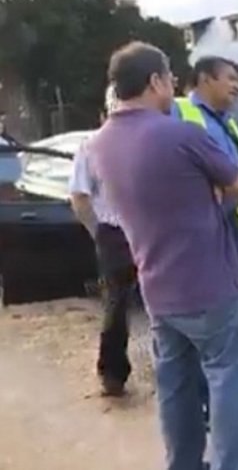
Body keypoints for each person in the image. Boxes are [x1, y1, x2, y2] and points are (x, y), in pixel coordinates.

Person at [90, 41, 238, 470]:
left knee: (175, 387)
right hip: (210, 285)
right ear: (155, 81)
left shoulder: (101, 143)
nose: (173, 87)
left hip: (157, 289)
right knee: (227, 380)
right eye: (169, 78)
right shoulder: (181, 133)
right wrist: (213, 203)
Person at [69, 84, 137, 398]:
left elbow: (80, 198)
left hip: (122, 231)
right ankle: (112, 372)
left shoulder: (92, 145)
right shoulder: (93, 145)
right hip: (125, 231)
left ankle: (113, 375)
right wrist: (99, 233)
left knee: (118, 303)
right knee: (121, 304)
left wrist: (99, 233)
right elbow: (80, 198)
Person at [173, 56, 238, 245]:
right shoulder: (176, 110)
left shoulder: (228, 121)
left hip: (232, 222)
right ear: (206, 79)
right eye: (231, 79)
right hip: (201, 226)